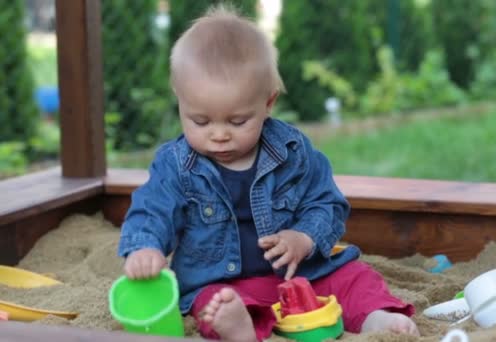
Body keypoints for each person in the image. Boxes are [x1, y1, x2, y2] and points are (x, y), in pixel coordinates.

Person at [117, 5, 419, 341]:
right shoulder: (176, 165)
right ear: (180, 101)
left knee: (355, 276)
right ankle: (240, 325)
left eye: (238, 121)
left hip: (300, 274)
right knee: (212, 306)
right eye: (199, 121)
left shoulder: (291, 151)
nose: (219, 134)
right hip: (222, 282)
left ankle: (375, 317)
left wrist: (303, 238)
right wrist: (145, 247)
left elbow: (327, 203)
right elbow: (152, 209)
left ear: (268, 103)